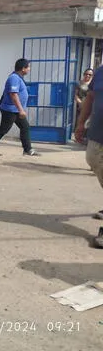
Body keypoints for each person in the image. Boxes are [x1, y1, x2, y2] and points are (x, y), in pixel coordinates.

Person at [0, 59, 39, 157]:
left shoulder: (18, 77)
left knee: (25, 127)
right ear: (23, 69)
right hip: (10, 110)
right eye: (28, 67)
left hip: (15, 110)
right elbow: (13, 94)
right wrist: (21, 110)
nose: (29, 69)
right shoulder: (14, 78)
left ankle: (28, 149)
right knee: (3, 129)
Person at [76, 66, 103, 247]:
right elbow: (91, 98)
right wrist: (80, 124)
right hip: (97, 132)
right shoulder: (100, 72)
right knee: (92, 159)